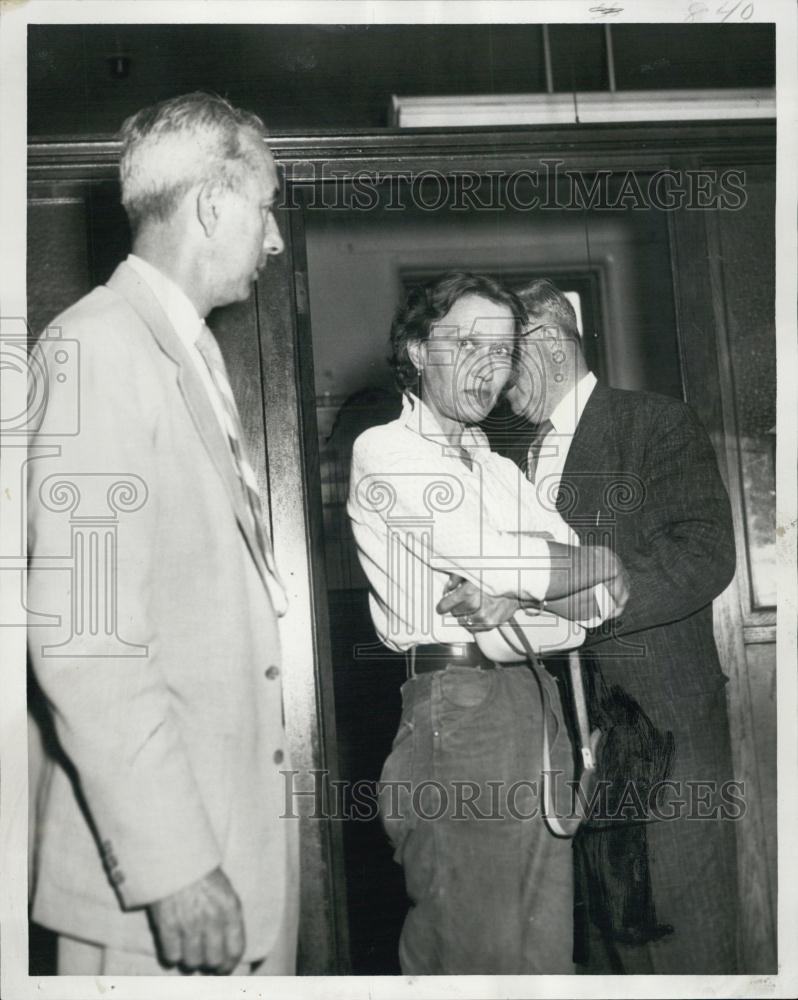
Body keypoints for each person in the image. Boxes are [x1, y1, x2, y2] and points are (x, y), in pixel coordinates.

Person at [27, 92, 298, 976]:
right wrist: (174, 866)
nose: (275, 238)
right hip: (162, 892)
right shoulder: (97, 350)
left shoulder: (183, 352)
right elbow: (86, 640)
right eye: (266, 208)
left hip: (231, 857)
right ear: (213, 206)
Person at [346, 272, 630, 975]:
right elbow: (524, 565)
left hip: (537, 702)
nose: (488, 366)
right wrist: (595, 559)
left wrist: (527, 590)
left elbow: (597, 608)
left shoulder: (500, 471)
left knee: (544, 959)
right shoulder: (385, 450)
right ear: (418, 350)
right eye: (467, 343)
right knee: (475, 956)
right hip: (458, 708)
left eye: (502, 351)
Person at [497, 278, 738, 973]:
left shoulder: (655, 422)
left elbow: (705, 552)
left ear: (549, 343)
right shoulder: (511, 461)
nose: (493, 380)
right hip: (566, 735)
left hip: (662, 721)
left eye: (503, 355)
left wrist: (598, 599)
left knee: (684, 934)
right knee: (607, 942)